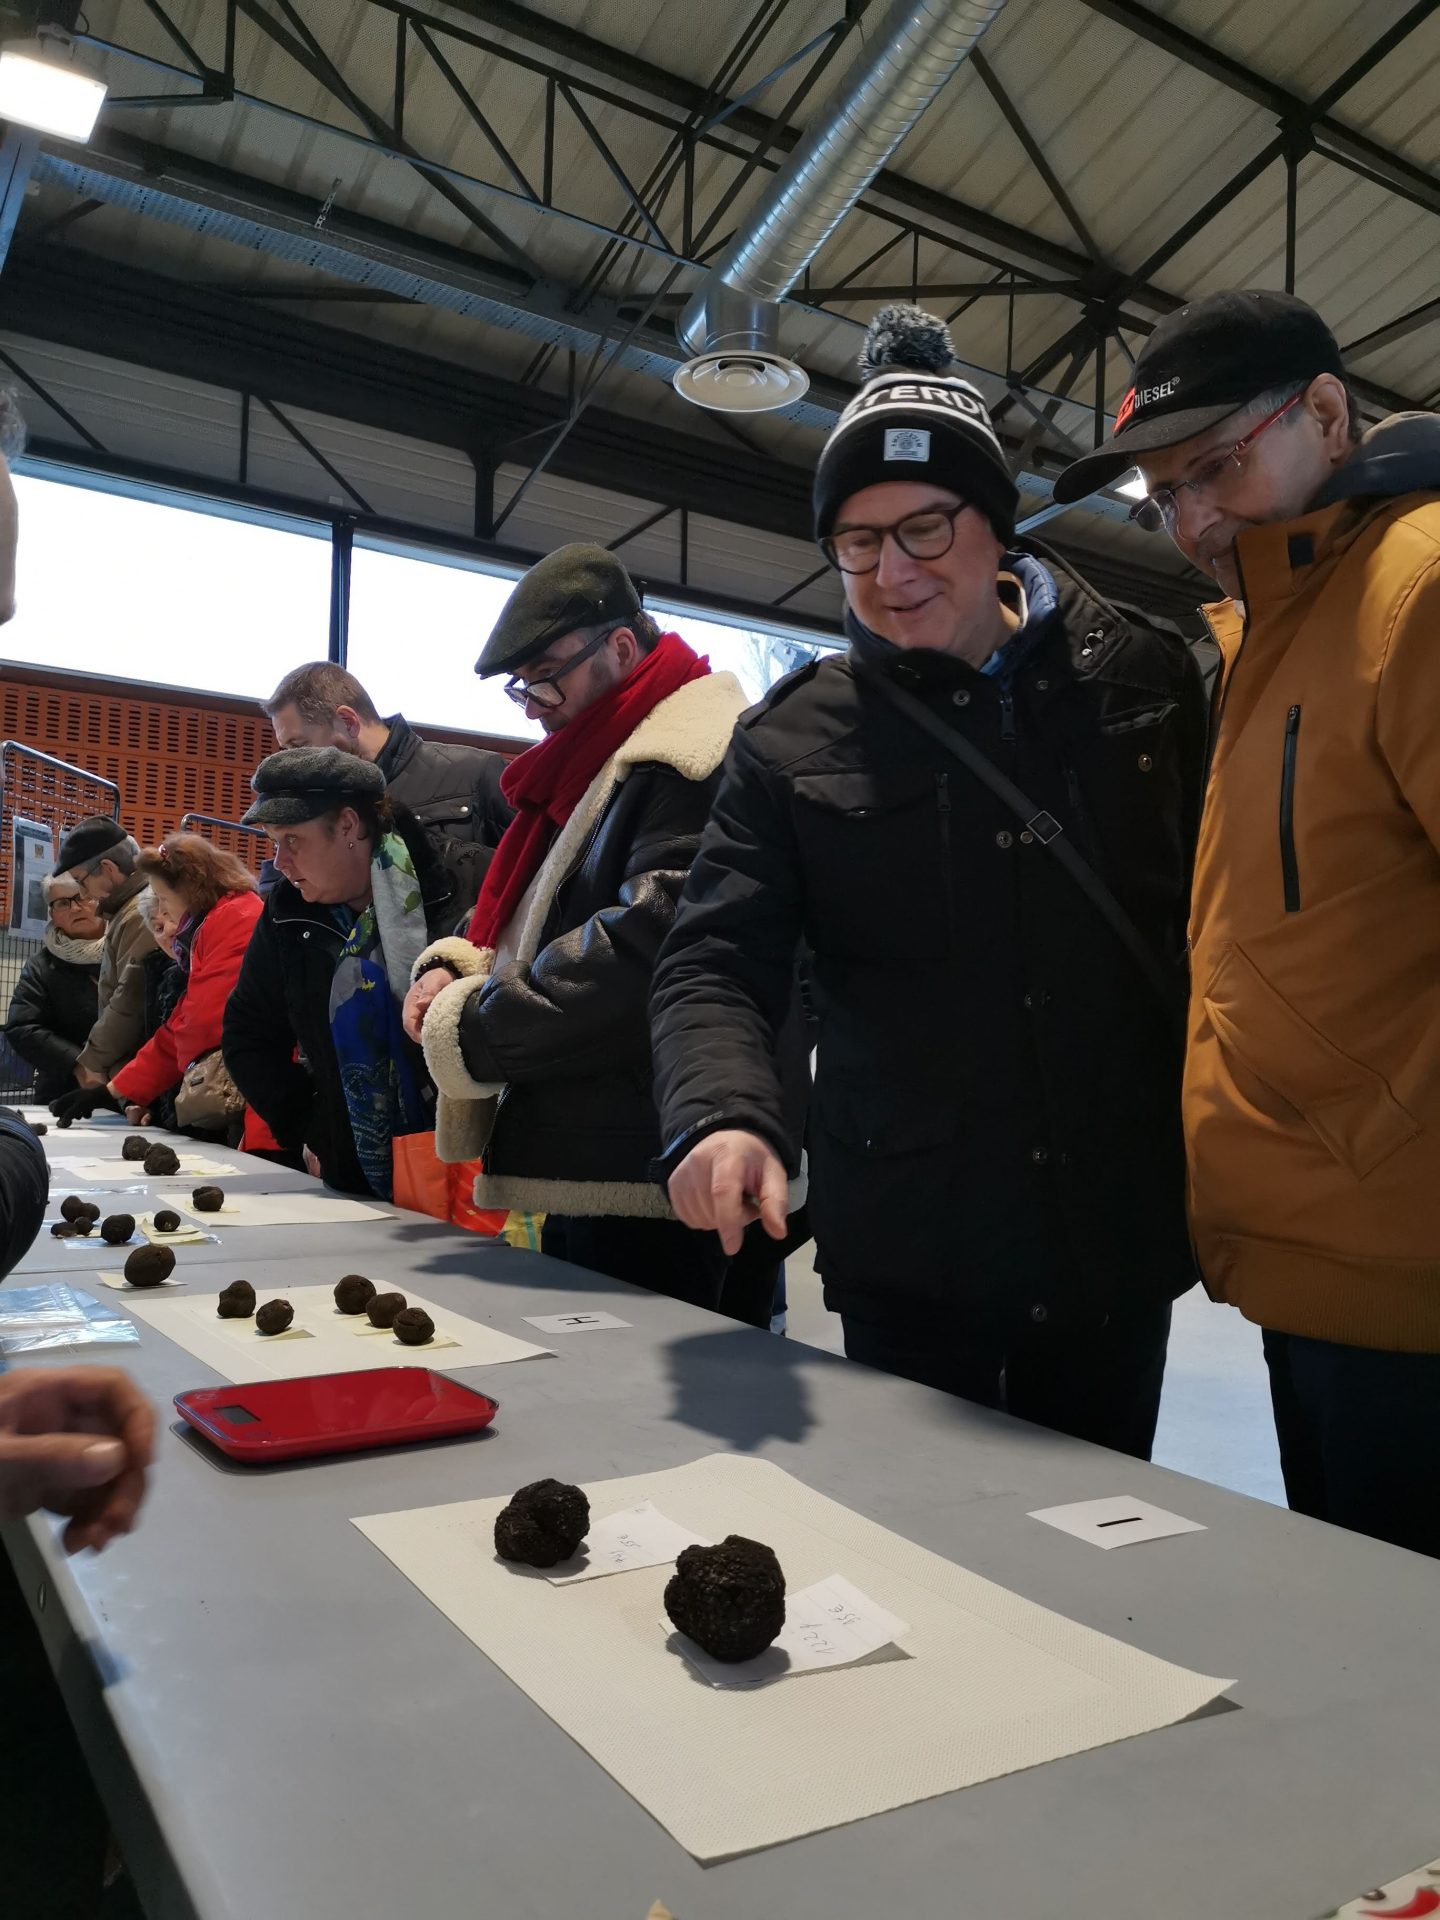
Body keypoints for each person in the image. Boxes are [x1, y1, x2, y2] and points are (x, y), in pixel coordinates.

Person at [650, 305, 1207, 1458]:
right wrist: (722, 1114)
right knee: (937, 1566)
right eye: (857, 542)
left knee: (1109, 1551)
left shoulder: (1145, 682)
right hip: (913, 1250)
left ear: (995, 526)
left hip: (1111, 1226)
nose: (891, 572)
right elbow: (713, 958)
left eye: (925, 529)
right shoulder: (787, 741)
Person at [1052, 289, 1440, 1551]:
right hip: (1315, 1268)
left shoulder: (1413, 595)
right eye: (1165, 493)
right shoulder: (1271, 632)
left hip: (1410, 1285)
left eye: (1217, 467)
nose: (1194, 520)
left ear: (1327, 413)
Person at [400, 543, 750, 1310]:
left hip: (657, 1162)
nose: (533, 704)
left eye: (544, 678)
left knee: (645, 1411)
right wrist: (457, 964)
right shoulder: (600, 760)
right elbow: (540, 912)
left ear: (620, 647)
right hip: (607, 1147)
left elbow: (643, 948)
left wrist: (472, 1031)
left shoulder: (694, 755)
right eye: (519, 688)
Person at [223, 747, 457, 1196]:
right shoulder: (285, 913)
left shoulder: (455, 883)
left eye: (292, 840)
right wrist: (313, 1126)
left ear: (348, 825)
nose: (280, 862)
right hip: (351, 1172)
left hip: (465, 1169)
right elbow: (248, 1034)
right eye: (274, 843)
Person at [263, 661, 512, 919]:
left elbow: (534, 882)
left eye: (299, 746)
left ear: (348, 722)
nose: (291, 761)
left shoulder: (475, 773)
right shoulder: (311, 802)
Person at [49, 816, 157, 1094]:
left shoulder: (139, 911)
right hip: (137, 1069)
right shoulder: (130, 908)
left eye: (80, 881)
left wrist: (92, 1063)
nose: (82, 892)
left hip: (143, 1073)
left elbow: (129, 998)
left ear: (107, 869)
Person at [4, 873, 104, 1101]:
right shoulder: (41, 966)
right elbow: (22, 1026)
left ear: (100, 899)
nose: (75, 908)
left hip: (137, 1088)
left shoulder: (130, 949)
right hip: (64, 1091)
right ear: (52, 914)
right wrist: (78, 1064)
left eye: (82, 897)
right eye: (62, 903)